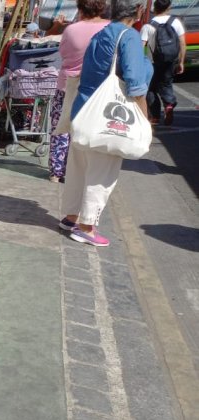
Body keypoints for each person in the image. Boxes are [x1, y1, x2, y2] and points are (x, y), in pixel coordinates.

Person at [60, 0, 152, 247]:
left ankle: (70, 218)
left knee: (78, 167)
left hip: (83, 109)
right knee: (101, 173)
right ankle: (86, 227)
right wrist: (144, 117)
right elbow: (135, 83)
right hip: (108, 115)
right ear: (139, 11)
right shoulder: (129, 36)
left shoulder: (101, 34)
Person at [48, 0, 109, 183]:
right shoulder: (109, 28)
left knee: (61, 127)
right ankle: (84, 171)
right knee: (90, 128)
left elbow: (64, 53)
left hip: (68, 83)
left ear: (80, 8)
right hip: (97, 87)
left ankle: (57, 172)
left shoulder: (71, 30)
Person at [140, 0, 186, 125]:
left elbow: (140, 46)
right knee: (166, 84)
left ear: (154, 8)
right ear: (169, 7)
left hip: (152, 62)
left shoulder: (148, 26)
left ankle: (155, 116)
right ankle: (169, 105)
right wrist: (181, 61)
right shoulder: (175, 22)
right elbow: (182, 43)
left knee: (151, 88)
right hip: (170, 60)